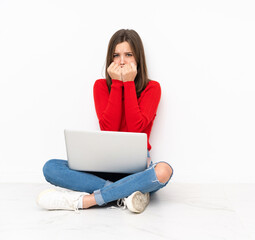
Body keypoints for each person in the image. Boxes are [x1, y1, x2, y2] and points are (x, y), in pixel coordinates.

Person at [36, 29, 173, 213]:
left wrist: (129, 84)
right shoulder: (101, 86)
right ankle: (127, 193)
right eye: (116, 55)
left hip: (137, 170)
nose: (122, 61)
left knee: (164, 170)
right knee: (50, 168)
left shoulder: (152, 88)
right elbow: (109, 128)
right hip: (103, 166)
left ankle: (87, 200)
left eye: (128, 54)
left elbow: (136, 130)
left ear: (138, 58)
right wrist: (117, 84)